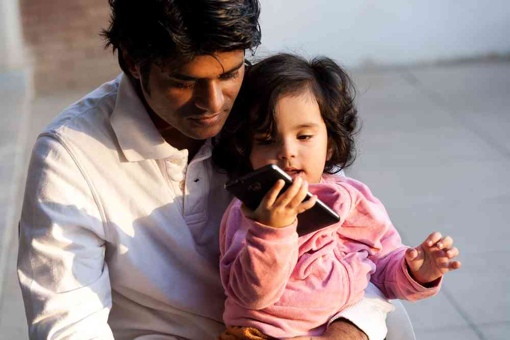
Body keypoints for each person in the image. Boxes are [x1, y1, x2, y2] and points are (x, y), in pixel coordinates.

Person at [17, 1, 394, 339]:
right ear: (133, 61)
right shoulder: (69, 155)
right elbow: (67, 322)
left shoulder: (262, 109)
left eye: (229, 74)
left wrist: (351, 326)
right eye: (184, 82)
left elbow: (357, 241)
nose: (213, 103)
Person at [212, 53, 461, 339]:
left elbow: (382, 270)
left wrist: (416, 272)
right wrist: (272, 231)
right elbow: (251, 295)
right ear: (248, 150)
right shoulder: (251, 211)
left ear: (330, 144)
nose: (286, 151)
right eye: (267, 140)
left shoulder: (353, 199)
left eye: (304, 136)